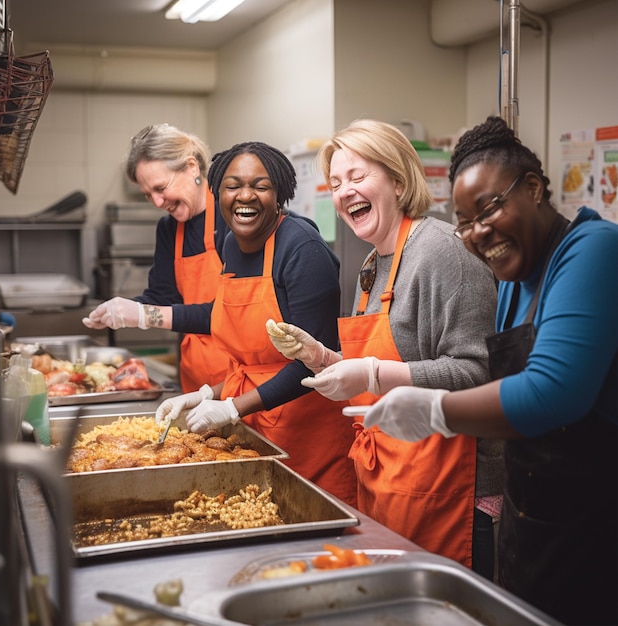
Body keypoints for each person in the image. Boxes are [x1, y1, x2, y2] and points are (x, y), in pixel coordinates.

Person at [361, 115, 618, 626]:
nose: (479, 232)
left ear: (534, 188)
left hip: (597, 530)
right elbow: (500, 389)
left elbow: (553, 393)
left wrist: (434, 410)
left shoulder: (594, 250)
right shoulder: (513, 281)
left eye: (490, 208)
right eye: (465, 221)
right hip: (533, 525)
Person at [266, 119, 502, 576]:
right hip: (391, 479)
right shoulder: (374, 265)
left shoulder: (442, 252)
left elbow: (477, 372)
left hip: (450, 489)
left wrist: (372, 373)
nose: (344, 191)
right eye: (335, 183)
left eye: (357, 176)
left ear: (397, 179)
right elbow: (382, 368)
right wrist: (322, 358)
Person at [153, 141, 357, 506]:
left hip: (310, 439)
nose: (245, 196)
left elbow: (315, 365)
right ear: (218, 192)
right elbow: (254, 364)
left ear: (279, 194)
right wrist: (204, 394)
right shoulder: (232, 245)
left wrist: (232, 408)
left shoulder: (302, 248)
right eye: (233, 186)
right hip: (260, 429)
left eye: (260, 186)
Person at [82, 123, 230, 393]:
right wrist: (122, 309)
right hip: (195, 381)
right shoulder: (169, 228)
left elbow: (229, 315)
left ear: (192, 167)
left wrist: (142, 315)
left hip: (240, 380)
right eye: (149, 194)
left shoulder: (231, 217)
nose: (158, 203)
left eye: (161, 188)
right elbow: (163, 298)